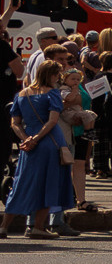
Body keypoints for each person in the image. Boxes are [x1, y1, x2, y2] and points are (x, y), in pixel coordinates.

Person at [7, 58, 76, 240]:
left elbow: (15, 122)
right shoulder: (52, 94)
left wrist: (26, 139)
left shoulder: (22, 94)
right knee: (48, 183)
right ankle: (38, 226)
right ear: (52, 75)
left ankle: (4, 226)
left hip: (27, 144)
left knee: (22, 183)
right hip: (49, 142)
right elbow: (52, 121)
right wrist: (36, 139)